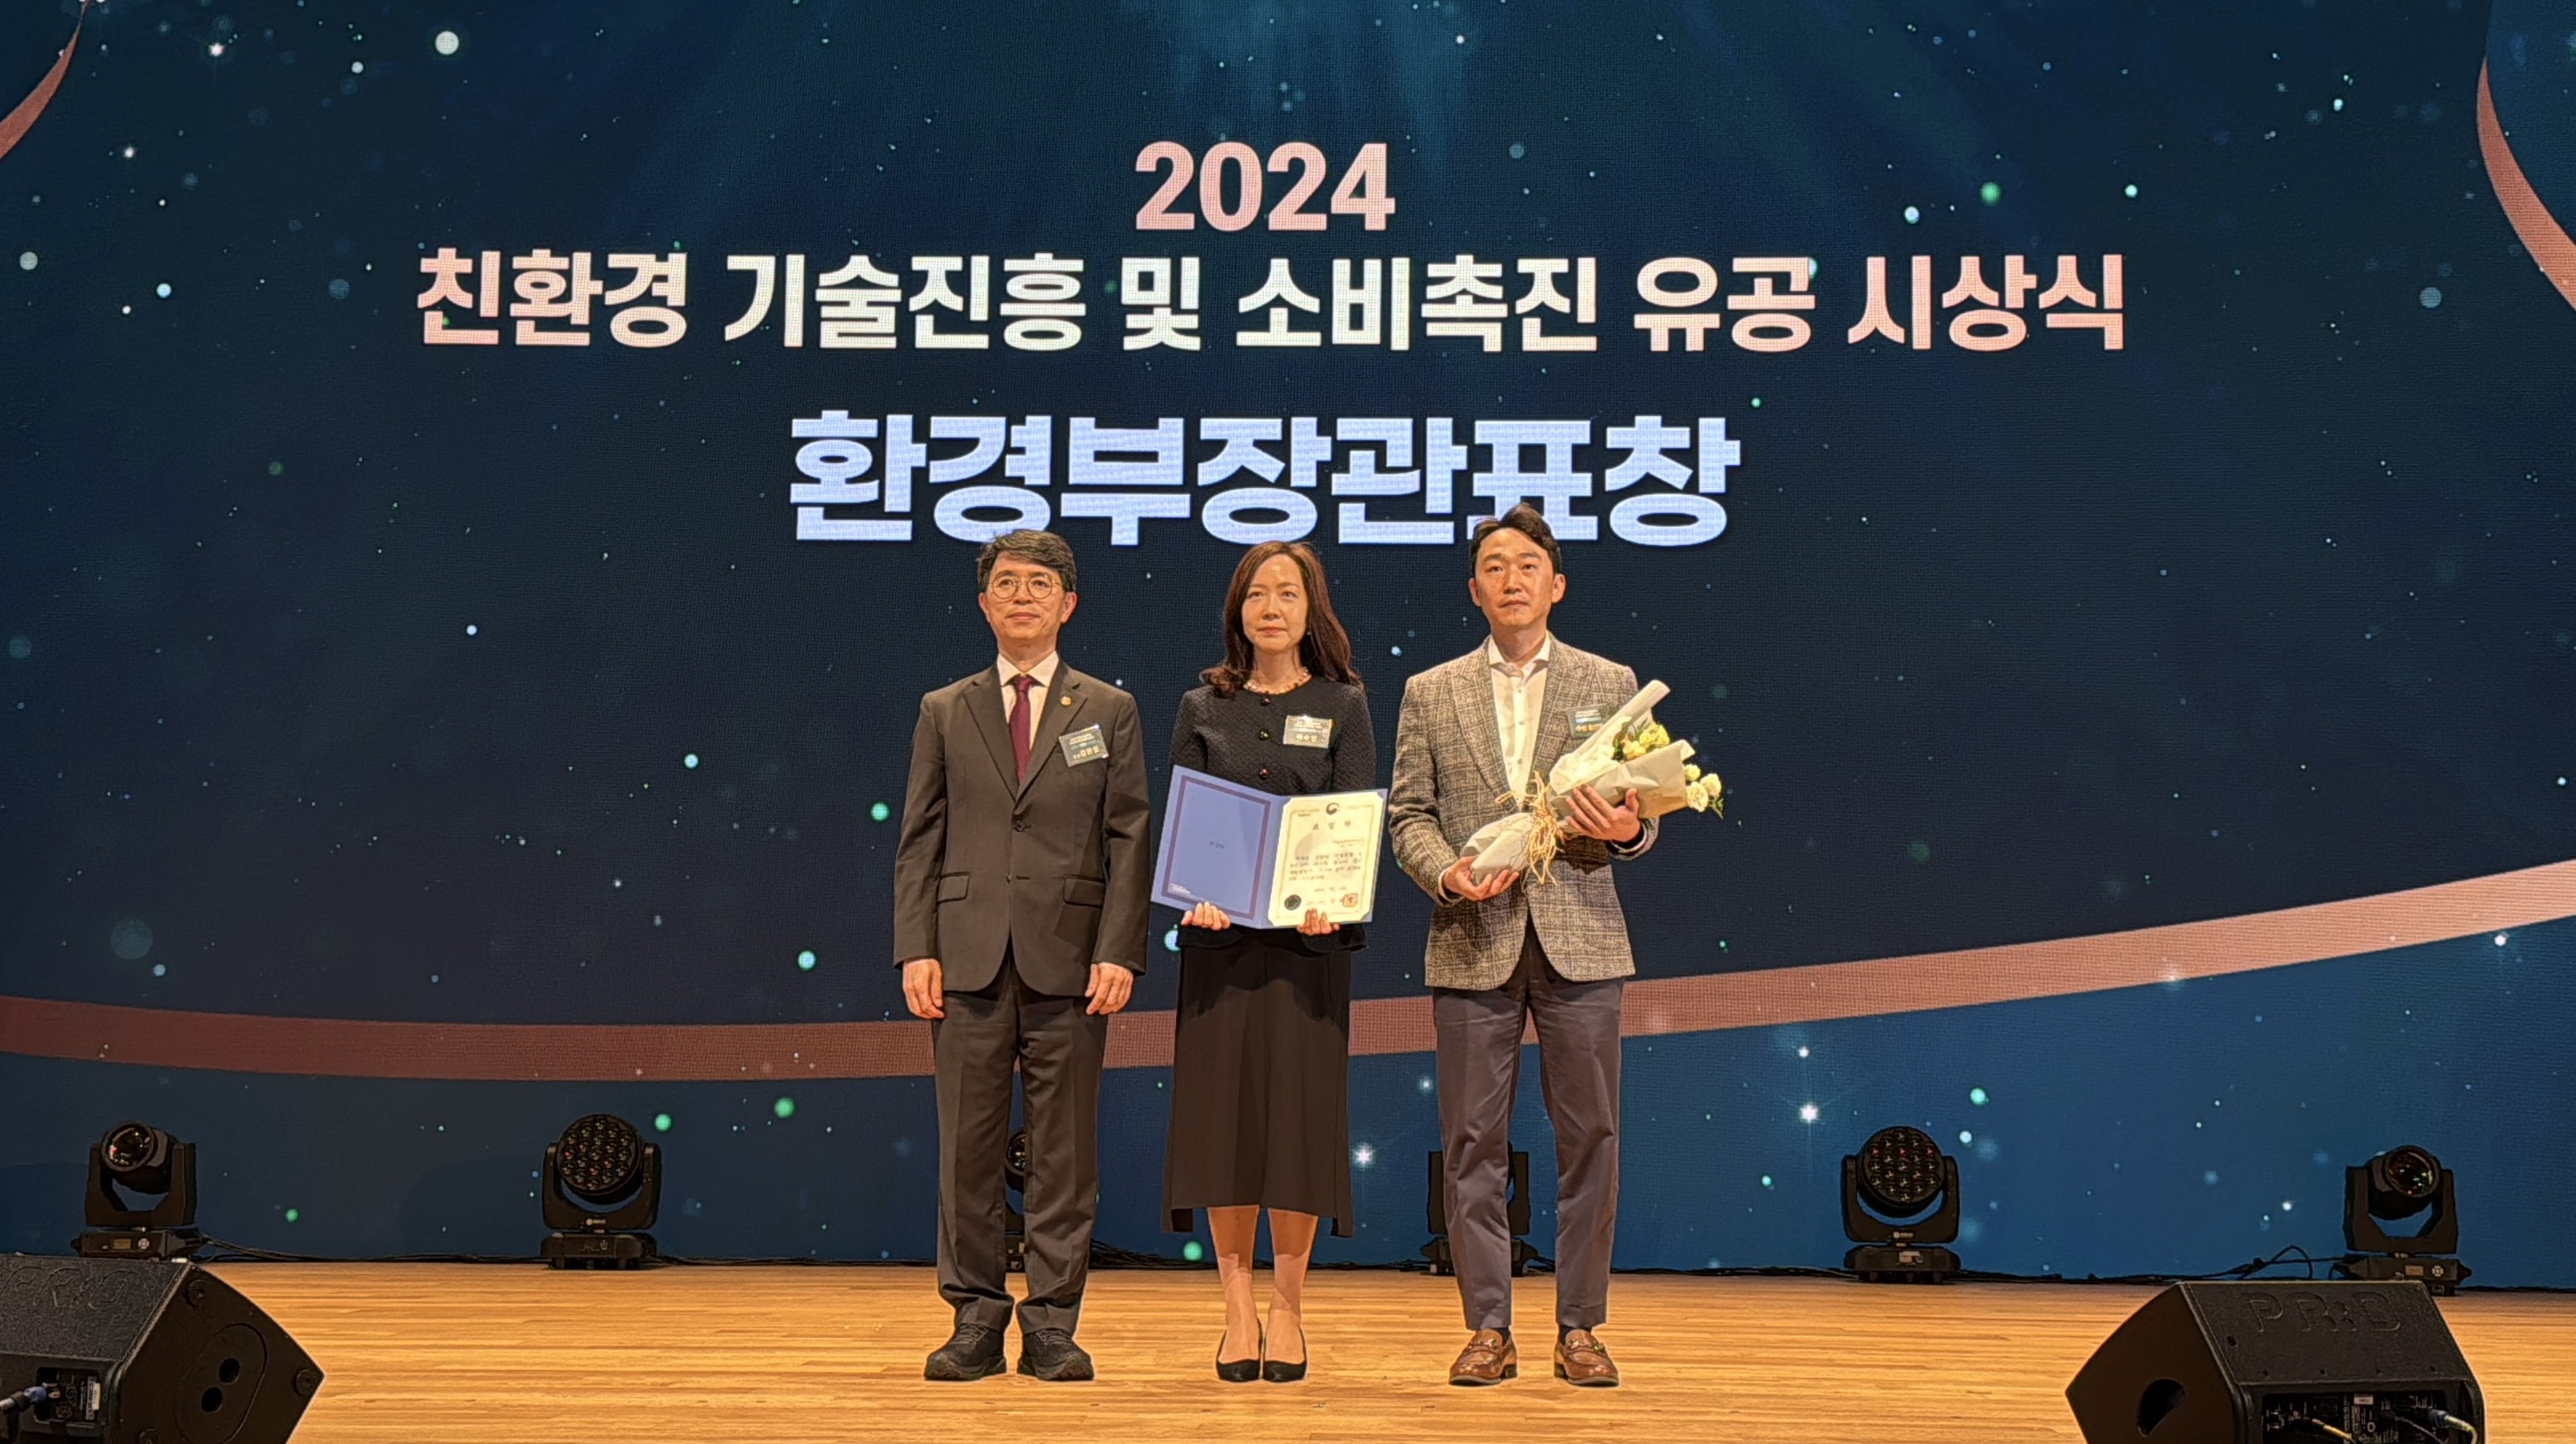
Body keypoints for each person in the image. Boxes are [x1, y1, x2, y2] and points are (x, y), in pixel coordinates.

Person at [1387, 503, 1657, 1389]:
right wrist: (1445, 872)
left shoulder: (1607, 679)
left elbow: (1641, 813)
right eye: (1495, 567)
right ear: (1474, 590)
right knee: (1471, 1141)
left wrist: (1626, 829)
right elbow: (1407, 816)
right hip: (1472, 935)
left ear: (1556, 585)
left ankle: (1579, 1327)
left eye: (1527, 565)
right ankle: (1487, 1327)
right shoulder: (1430, 690)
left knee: (1592, 1137)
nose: (1511, 579)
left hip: (1581, 936)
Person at [892, 529, 1149, 1383]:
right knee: (965, 1152)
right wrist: (916, 947)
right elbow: (919, 838)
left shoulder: (1108, 708)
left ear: (1067, 604)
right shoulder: (944, 708)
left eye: (1040, 584)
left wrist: (1119, 949)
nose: (1022, 597)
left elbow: (1128, 835)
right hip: (964, 957)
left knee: (1061, 1154)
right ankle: (973, 1319)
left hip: (1070, 960)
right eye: (1006, 583)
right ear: (983, 604)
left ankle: (1051, 1324)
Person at [1163, 541, 1375, 1385]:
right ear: (1238, 610)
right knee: (1223, 1126)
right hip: (1220, 948)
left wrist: (1336, 900)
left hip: (1306, 949)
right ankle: (1236, 1311)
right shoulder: (1200, 705)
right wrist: (1195, 893)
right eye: (1257, 593)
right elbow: (1184, 824)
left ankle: (1287, 1307)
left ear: (1310, 608)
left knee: (1297, 1126)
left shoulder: (1343, 703)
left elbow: (1353, 820)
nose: (1272, 607)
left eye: (1288, 593)